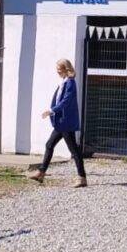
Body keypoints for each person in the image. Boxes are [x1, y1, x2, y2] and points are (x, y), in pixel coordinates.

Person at [27, 59, 88, 188]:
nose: (57, 72)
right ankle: (41, 173)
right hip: (61, 122)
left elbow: (66, 101)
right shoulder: (63, 82)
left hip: (66, 122)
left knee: (74, 150)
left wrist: (51, 110)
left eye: (59, 70)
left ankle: (82, 177)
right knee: (49, 145)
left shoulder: (70, 83)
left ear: (66, 69)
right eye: (57, 70)